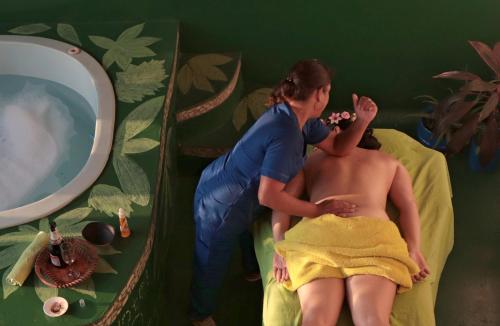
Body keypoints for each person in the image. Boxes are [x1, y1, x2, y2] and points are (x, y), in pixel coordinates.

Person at [190, 59, 378, 326]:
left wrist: (362, 120)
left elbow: (337, 147)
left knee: (245, 230)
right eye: (328, 91)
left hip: (242, 193)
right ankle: (200, 314)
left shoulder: (303, 119)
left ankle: (250, 269)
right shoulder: (286, 134)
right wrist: (318, 210)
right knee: (211, 261)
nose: (328, 96)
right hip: (221, 203)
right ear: (319, 94)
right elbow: (269, 196)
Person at [272, 116, 430, 326]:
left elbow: (282, 204)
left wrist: (280, 243)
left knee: (316, 319)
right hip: (373, 237)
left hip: (319, 236)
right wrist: (413, 247)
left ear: (336, 131)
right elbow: (408, 207)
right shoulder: (389, 162)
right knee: (372, 319)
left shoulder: (311, 161)